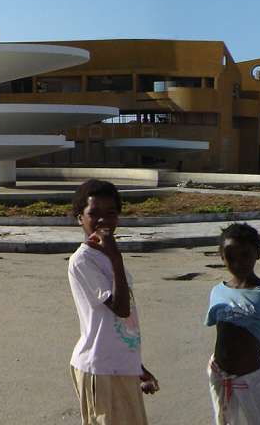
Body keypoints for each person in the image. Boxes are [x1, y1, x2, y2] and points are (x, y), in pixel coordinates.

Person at [67, 179, 158, 424]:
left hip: (120, 364)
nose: (103, 220)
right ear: (79, 217)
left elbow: (122, 324)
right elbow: (121, 308)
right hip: (99, 368)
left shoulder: (106, 254)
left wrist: (136, 364)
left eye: (111, 213)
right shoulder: (83, 260)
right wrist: (116, 257)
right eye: (94, 213)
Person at [207, 223, 260, 425]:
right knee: (227, 419)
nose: (238, 263)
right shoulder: (217, 292)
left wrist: (259, 372)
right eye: (230, 257)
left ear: (257, 253)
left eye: (245, 255)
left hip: (252, 378)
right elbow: (222, 334)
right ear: (221, 257)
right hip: (220, 374)